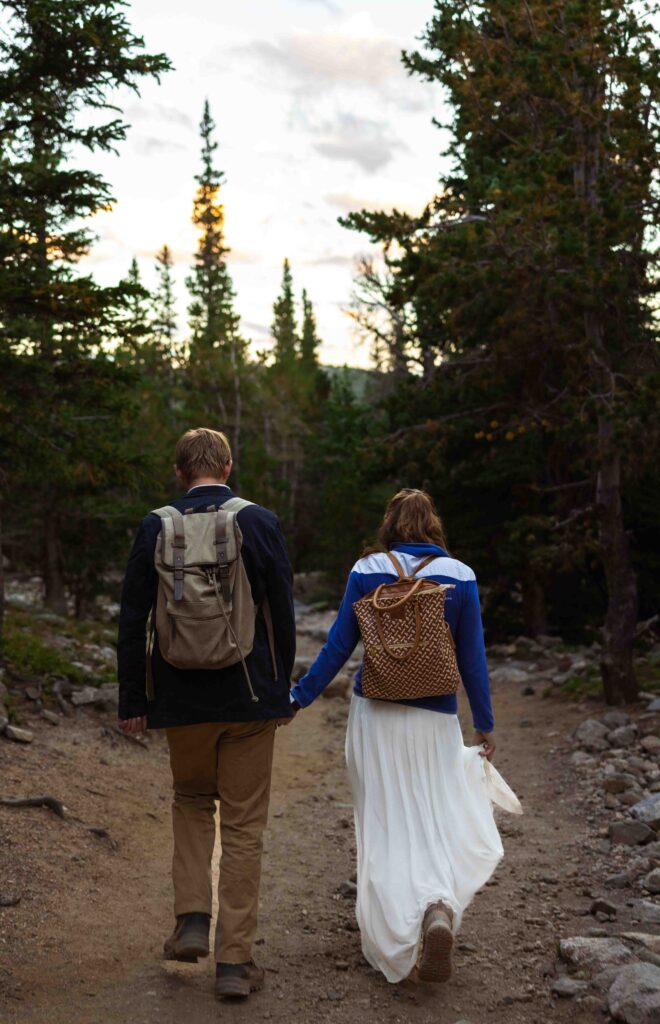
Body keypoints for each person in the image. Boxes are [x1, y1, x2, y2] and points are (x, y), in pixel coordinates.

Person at [290, 488, 521, 985]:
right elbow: (472, 659)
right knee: (431, 814)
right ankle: (437, 904)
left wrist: (299, 697)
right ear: (432, 526)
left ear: (390, 525)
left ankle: (396, 928)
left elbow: (339, 645)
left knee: (386, 819)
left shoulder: (366, 570)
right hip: (434, 717)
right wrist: (484, 722)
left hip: (375, 714)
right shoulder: (460, 576)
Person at [117, 427, 296, 1001]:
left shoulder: (156, 525)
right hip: (247, 698)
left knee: (193, 801)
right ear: (227, 465)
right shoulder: (258, 522)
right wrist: (280, 689)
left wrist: (133, 702)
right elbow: (283, 611)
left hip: (180, 696)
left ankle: (192, 921)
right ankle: (235, 964)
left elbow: (131, 619)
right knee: (243, 826)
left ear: (179, 471)